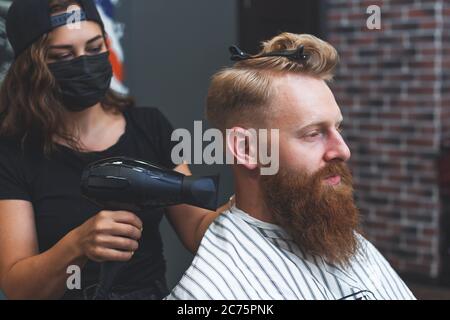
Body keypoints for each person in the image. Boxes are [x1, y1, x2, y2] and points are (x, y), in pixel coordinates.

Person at [0, 0, 223, 300]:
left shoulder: (150, 127)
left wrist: (248, 197)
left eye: (94, 49)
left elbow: (197, 229)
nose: (84, 62)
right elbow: (19, 288)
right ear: (32, 67)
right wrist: (77, 246)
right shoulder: (14, 152)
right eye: (63, 55)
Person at [166, 33, 416, 300]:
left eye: (337, 128)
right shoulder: (213, 291)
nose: (343, 150)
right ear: (247, 149)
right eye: (313, 134)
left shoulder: (336, 238)